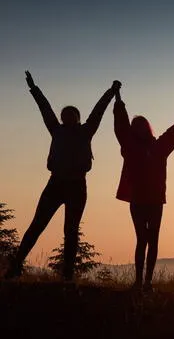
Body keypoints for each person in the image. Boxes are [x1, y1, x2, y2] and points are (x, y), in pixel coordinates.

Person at [5, 71, 119, 281]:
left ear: (77, 118)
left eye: (71, 114)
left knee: (71, 231)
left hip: (76, 186)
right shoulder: (56, 130)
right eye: (64, 114)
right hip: (55, 184)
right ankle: (16, 265)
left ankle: (67, 275)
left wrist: (111, 92)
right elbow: (45, 109)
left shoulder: (86, 130)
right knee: (37, 225)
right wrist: (34, 88)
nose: (66, 116)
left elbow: (98, 110)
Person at [113, 88, 174, 292]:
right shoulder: (130, 146)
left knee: (153, 239)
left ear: (147, 128)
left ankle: (147, 281)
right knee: (142, 239)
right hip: (138, 200)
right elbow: (121, 125)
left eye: (142, 126)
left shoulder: (159, 147)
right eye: (136, 126)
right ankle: (139, 281)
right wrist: (118, 101)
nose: (139, 129)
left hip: (156, 200)